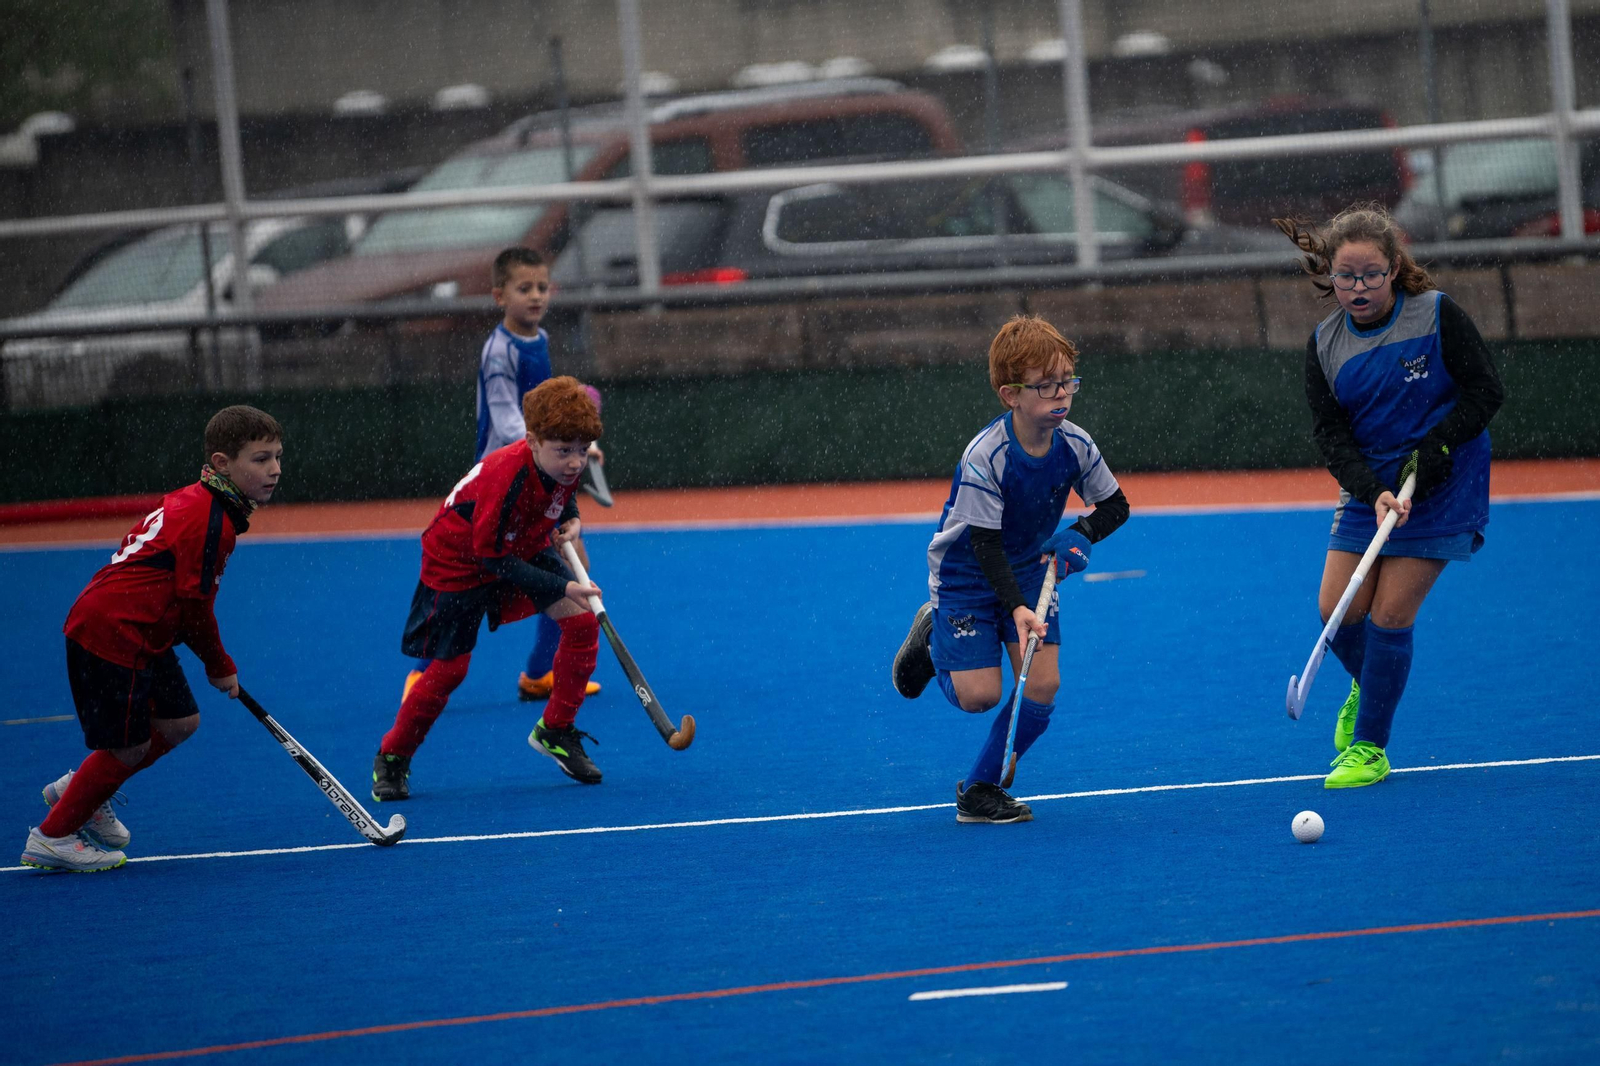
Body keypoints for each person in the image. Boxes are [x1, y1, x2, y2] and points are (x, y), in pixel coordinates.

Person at [1274, 204, 1504, 789]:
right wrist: (1372, 489)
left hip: (1444, 480)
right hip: (1371, 483)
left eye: (1371, 275)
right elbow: (1332, 435)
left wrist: (1440, 445)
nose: (1358, 288)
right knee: (1337, 610)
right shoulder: (1324, 344)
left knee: (1390, 614)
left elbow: (1485, 391)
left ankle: (1370, 748)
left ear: (1394, 269)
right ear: (1330, 274)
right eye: (1346, 276)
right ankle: (1368, 682)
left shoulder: (1436, 314)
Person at [20, 406, 284, 872]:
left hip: (143, 629)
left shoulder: (203, 501)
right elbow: (196, 610)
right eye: (261, 459)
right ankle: (52, 837)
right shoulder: (210, 522)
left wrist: (212, 659)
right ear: (222, 463)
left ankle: (83, 788)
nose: (275, 469)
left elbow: (182, 603)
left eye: (278, 457)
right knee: (129, 747)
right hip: (113, 633)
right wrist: (220, 665)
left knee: (179, 722)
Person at [891, 315, 1129, 823]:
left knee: (1041, 685)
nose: (1060, 393)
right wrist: (1018, 607)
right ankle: (933, 641)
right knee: (981, 696)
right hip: (968, 573)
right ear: (1010, 395)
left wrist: (1081, 534)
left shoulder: (1076, 444)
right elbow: (984, 544)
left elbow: (1116, 506)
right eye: (1045, 385)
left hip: (1030, 568)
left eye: (1067, 381)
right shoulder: (987, 455)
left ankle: (980, 789)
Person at [373, 376, 607, 800]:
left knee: (583, 624)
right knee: (450, 670)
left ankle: (556, 729)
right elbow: (491, 558)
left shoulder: (561, 461)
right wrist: (562, 585)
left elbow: (562, 492)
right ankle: (392, 757)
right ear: (532, 441)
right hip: (459, 562)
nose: (575, 462)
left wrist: (571, 518)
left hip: (519, 541)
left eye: (581, 450)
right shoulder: (505, 474)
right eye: (564, 451)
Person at [404, 246, 603, 707]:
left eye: (542, 287)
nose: (536, 296)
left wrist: (572, 441)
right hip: (502, 482)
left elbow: (545, 406)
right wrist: (558, 444)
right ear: (499, 296)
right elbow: (508, 420)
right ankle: (422, 676)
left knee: (574, 564)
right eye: (524, 288)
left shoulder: (539, 339)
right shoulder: (499, 350)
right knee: (470, 585)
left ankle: (538, 674)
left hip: (539, 473)